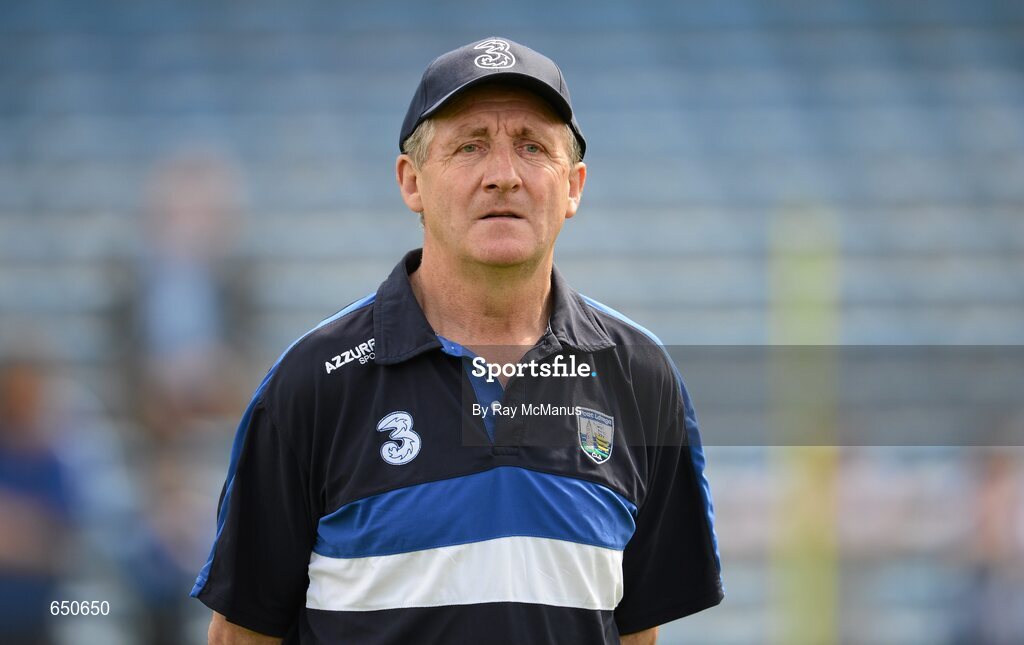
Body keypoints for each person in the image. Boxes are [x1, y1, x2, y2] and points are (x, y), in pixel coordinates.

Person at [192, 36, 723, 644]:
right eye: (470, 146)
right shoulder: (314, 381)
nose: (503, 176)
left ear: (573, 186)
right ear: (411, 182)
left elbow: (634, 630)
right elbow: (241, 633)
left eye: (532, 147)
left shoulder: (639, 377)